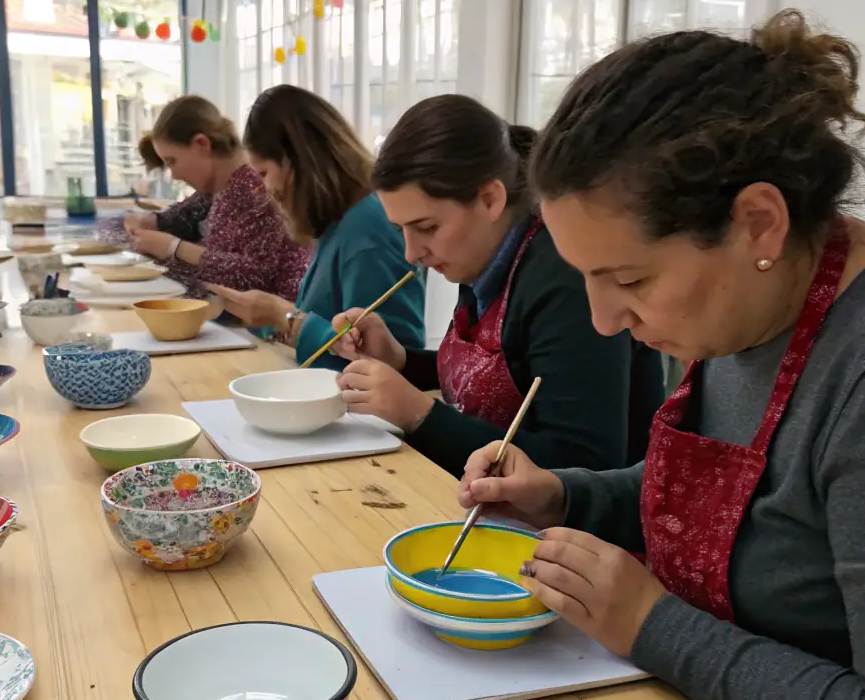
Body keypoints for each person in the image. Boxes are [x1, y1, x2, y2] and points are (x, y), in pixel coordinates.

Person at [457, 11, 865, 700]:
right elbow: (751, 509)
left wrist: (652, 626)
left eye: (629, 278)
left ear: (758, 222)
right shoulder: (751, 304)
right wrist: (564, 495)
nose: (605, 322)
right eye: (586, 281)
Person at [331, 94, 663, 479]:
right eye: (401, 230)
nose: (411, 253)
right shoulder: (483, 255)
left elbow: (584, 462)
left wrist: (420, 415)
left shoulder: (565, 278)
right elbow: (496, 380)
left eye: (426, 228)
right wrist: (401, 361)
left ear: (490, 199)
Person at [209, 85, 425, 367]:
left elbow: (392, 360)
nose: (264, 189)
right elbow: (326, 321)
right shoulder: (339, 224)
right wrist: (268, 317)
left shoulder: (367, 229)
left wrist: (284, 317)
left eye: (264, 173)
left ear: (295, 161)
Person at [123, 95, 309, 300]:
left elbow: (256, 277)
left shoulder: (253, 187)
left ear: (201, 144)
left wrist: (175, 248)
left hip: (265, 326)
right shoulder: (218, 187)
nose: (174, 176)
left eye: (172, 161)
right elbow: (180, 216)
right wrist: (149, 223)